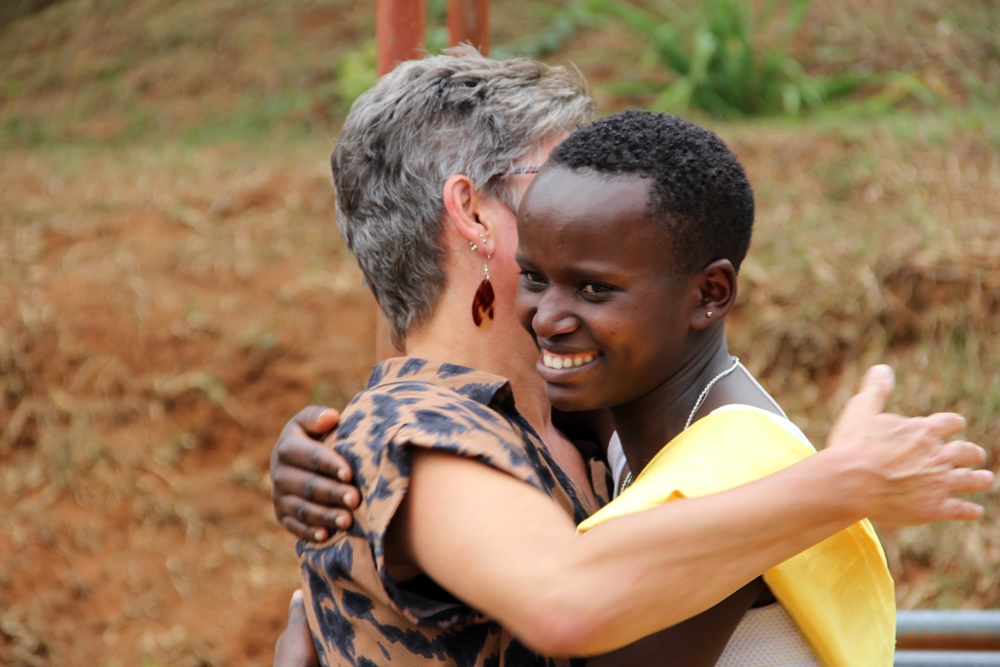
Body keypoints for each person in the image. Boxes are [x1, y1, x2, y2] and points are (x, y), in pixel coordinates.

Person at [272, 47, 991, 666]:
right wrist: (844, 480)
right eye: (558, 177)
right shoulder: (413, 435)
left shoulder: (585, 426)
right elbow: (566, 600)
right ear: (474, 214)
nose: (588, 193)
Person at [514, 109, 892, 666]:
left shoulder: (721, 483)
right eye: (534, 278)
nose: (548, 318)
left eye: (594, 288)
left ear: (709, 294)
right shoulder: (656, 417)